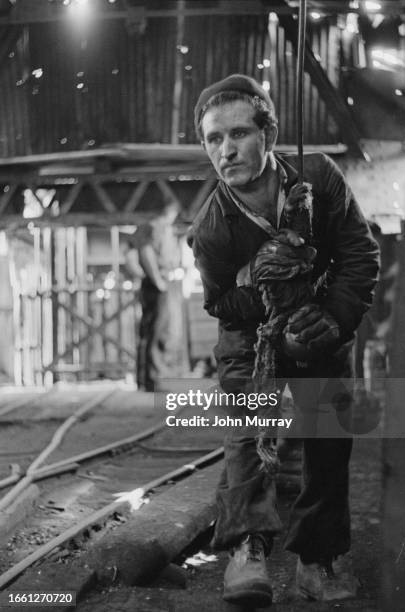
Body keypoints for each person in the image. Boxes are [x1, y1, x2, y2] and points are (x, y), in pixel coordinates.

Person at [188, 74, 380, 606]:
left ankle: (317, 559)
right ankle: (247, 550)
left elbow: (359, 255)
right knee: (249, 433)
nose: (226, 150)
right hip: (251, 338)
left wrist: (334, 319)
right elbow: (219, 303)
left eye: (239, 133)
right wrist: (260, 283)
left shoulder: (318, 177)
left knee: (328, 435)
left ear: (268, 134)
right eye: (213, 139)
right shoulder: (212, 228)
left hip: (321, 319)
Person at [125, 200, 180, 391]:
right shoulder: (155, 228)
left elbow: (130, 256)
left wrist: (142, 275)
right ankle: (153, 379)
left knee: (148, 331)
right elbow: (146, 252)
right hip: (156, 284)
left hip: (150, 282)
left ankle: (144, 379)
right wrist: (157, 279)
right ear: (170, 213)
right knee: (157, 331)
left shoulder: (143, 229)